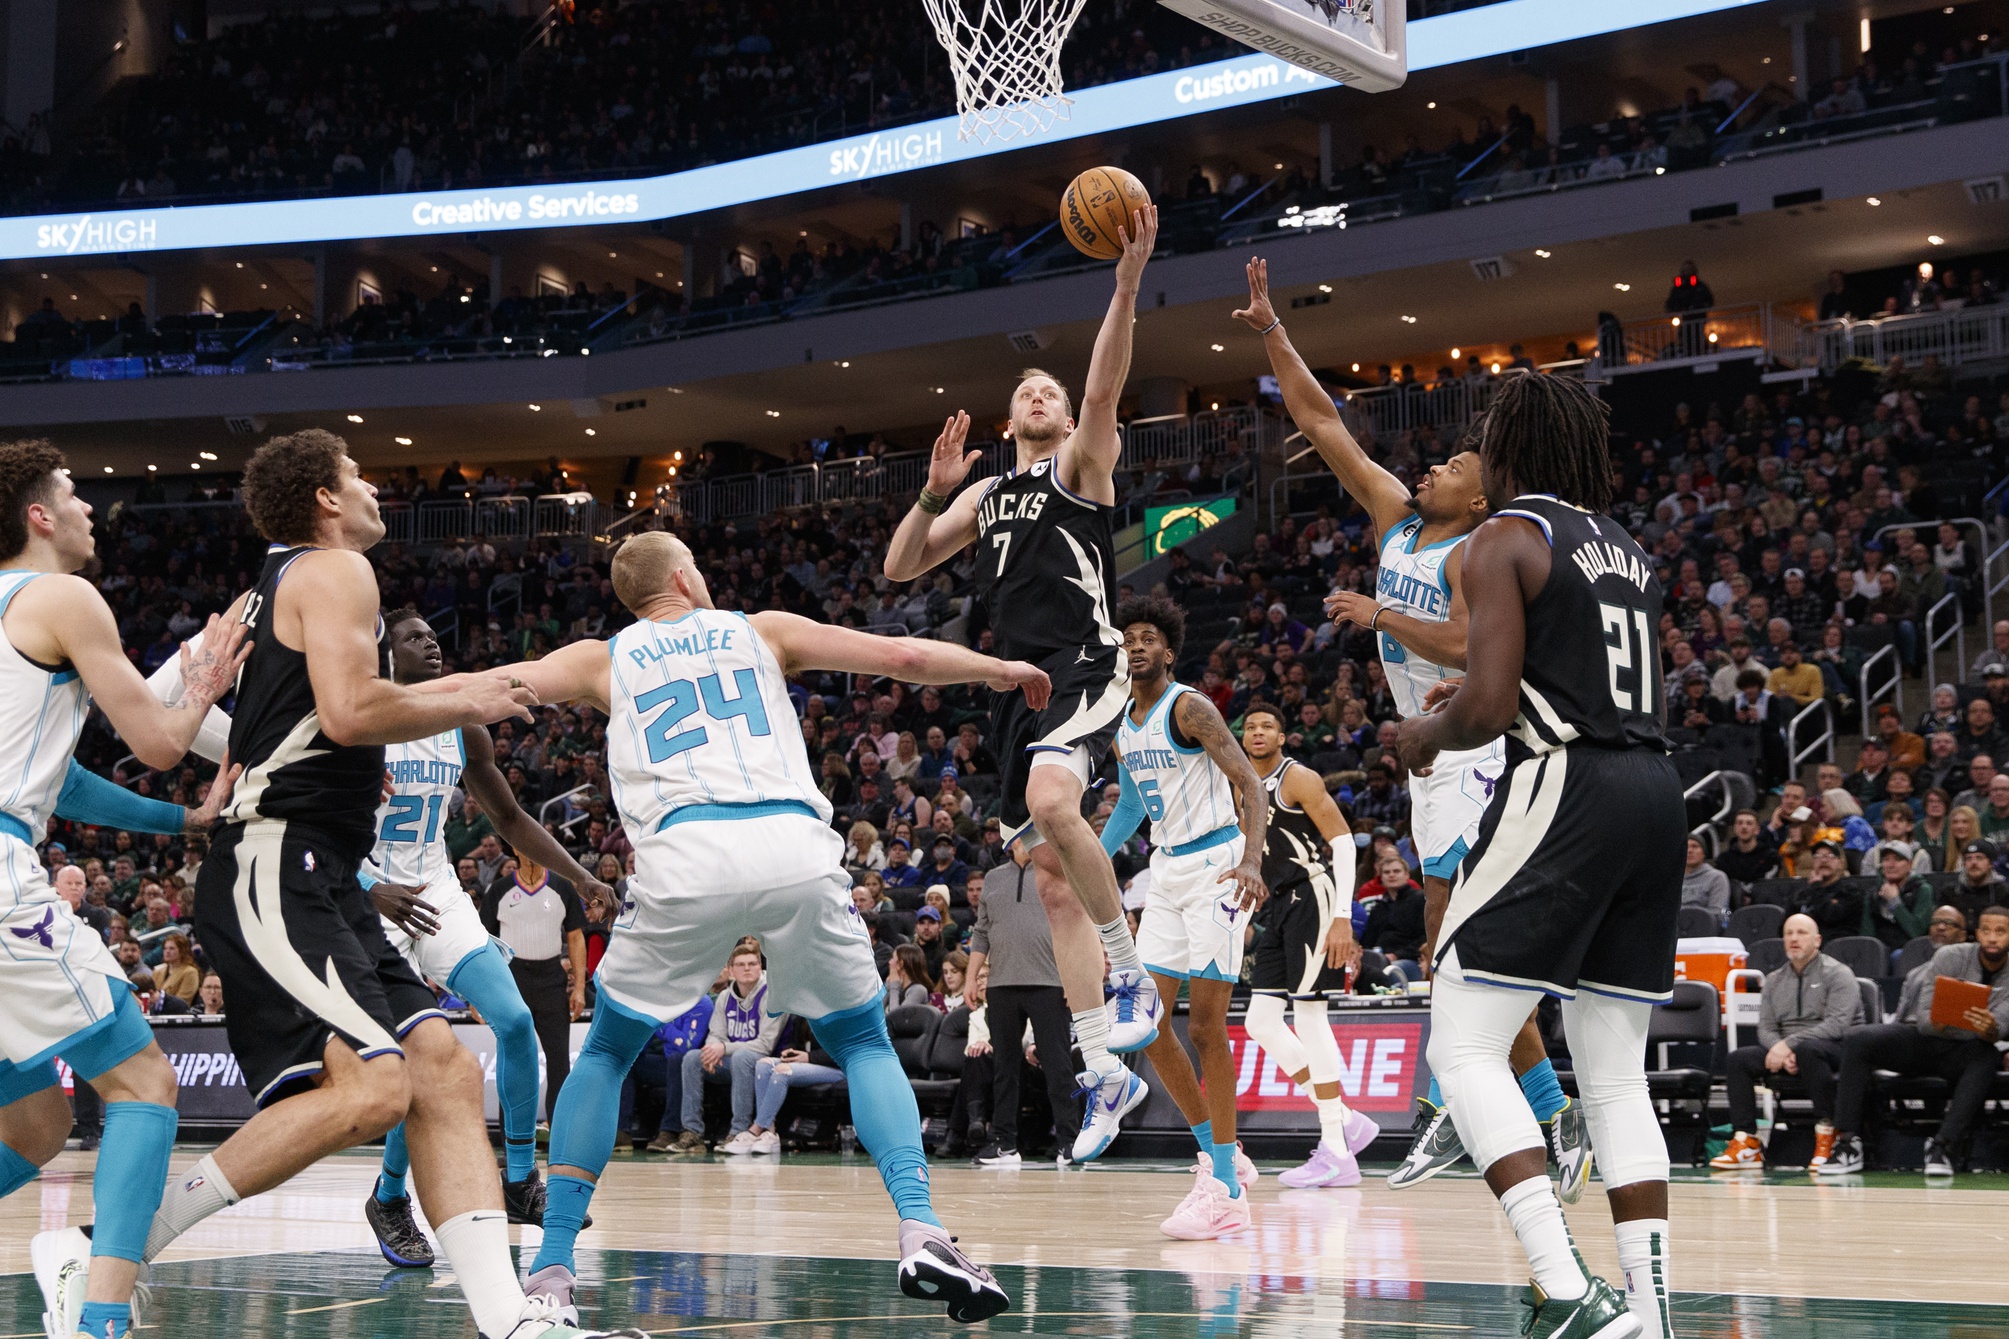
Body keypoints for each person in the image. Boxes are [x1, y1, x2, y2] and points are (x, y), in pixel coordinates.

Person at [61, 432, 632, 1339]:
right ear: (325, 498)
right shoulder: (334, 572)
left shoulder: (270, 586)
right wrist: (481, 689)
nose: (372, 489)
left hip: (315, 866)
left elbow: (180, 710)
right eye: (359, 475)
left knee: (441, 1069)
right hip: (275, 862)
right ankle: (108, 1246)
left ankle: (510, 1320)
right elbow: (351, 709)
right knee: (378, 1088)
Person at [507, 531, 1047, 1325]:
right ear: (689, 576)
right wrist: (998, 670)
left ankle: (552, 1271)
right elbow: (898, 657)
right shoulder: (759, 628)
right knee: (862, 1040)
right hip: (792, 844)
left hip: (686, 851)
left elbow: (498, 685)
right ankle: (920, 1226)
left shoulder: (601, 656)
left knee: (609, 1052)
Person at [1233, 258, 1585, 1205]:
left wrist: (1382, 618)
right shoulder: (1395, 520)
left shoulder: (1484, 545)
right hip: (1430, 753)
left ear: (1480, 496)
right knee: (1449, 943)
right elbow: (1323, 426)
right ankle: (1551, 1108)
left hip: (1484, 740)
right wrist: (1272, 329)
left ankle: (1505, 1106)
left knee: (1453, 934)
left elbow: (1473, 640)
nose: (1431, 466)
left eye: (1454, 465)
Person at [1395, 369, 1684, 1339]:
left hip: (1568, 786)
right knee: (1613, 1077)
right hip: (1654, 789)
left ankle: (1565, 1292)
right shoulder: (1631, 553)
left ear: (1509, 447)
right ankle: (1645, 1315)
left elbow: (1483, 705)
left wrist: (1420, 738)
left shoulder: (1501, 537)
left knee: (1461, 1041)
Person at [882, 202, 1162, 1145]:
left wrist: (1123, 287)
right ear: (1007, 421)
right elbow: (900, 566)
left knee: (1053, 803)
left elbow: (1101, 391)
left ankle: (1129, 971)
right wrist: (931, 487)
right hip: (1016, 684)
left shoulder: (1082, 463)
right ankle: (1102, 1064)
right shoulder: (987, 491)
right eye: (1029, 391)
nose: (1045, 395)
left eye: (1051, 386)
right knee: (1046, 883)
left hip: (1084, 662)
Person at [1, 439, 249, 1339]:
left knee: (30, 1124)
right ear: (39, 514)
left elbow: (59, 782)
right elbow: (155, 741)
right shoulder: (62, 595)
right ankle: (101, 1318)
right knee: (144, 1083)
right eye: (73, 493)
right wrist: (204, 686)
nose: (88, 507)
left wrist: (180, 824)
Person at [361, 609, 618, 1268]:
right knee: (420, 1055)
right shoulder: (357, 718)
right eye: (416, 636)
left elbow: (507, 815)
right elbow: (312, 825)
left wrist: (583, 875)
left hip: (435, 893)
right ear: (384, 650)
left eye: (435, 634)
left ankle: (517, 1181)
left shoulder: (460, 719)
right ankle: (390, 1196)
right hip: (368, 898)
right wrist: (367, 889)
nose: (431, 642)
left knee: (513, 1020)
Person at [1094, 597, 1268, 1238]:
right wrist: (1084, 857)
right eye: (1128, 639)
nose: (1136, 647)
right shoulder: (1121, 721)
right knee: (1148, 1027)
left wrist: (1253, 860)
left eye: (1148, 639)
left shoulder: (1189, 707)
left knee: (1206, 1029)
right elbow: (1134, 806)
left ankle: (1224, 1192)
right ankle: (1223, 1159)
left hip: (1219, 866)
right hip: (1166, 872)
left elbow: (1249, 782)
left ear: (1168, 651)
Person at [1238, 702, 1379, 1189]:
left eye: (1267, 726)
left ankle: (1337, 1151)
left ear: (1283, 737)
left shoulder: (1297, 778)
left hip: (1313, 897)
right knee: (1259, 1021)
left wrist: (1344, 916)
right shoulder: (1240, 786)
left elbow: (1342, 842)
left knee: (1310, 1015)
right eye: (1250, 727)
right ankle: (1344, 1117)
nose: (1257, 733)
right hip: (1276, 904)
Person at [1820, 906, 2009, 1177]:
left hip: (1963, 1053)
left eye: (2001, 932)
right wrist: (1974, 1029)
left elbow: (2000, 1028)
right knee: (1859, 1039)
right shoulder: (1949, 956)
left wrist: (1990, 1031)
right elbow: (1924, 1021)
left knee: (1986, 1055)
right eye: (1987, 931)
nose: (1993, 938)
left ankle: (1942, 1146)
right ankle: (1848, 1142)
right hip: (1924, 1040)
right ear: (1976, 934)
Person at [1710, 914, 1862, 1172]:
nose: (1793, 938)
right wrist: (1780, 1049)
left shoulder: (1839, 974)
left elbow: (1839, 1024)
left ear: (1817, 940)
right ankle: (1747, 1141)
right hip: (1790, 1049)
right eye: (1789, 933)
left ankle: (1829, 1134)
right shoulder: (1773, 980)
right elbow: (1766, 1027)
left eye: (1801, 933)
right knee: (1738, 1059)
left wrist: (1788, 1045)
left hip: (1835, 1046)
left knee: (1809, 1050)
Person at [966, 846, 1080, 1167]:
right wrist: (970, 977)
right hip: (1000, 985)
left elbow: (1074, 928)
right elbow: (981, 933)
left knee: (1058, 1065)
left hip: (1050, 983)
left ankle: (1069, 1141)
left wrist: (1074, 978)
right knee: (1004, 1067)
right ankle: (1003, 1143)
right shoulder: (992, 879)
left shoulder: (1058, 872)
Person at [482, 854, 589, 1129]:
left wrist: (578, 987)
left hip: (552, 979)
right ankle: (511, 1139)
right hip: (512, 979)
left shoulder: (562, 887)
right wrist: (479, 991)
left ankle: (559, 1131)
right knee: (512, 1060)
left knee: (558, 1061)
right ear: (515, 851)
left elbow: (575, 936)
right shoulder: (500, 890)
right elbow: (484, 942)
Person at [686, 944, 785, 1153]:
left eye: (752, 964)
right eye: (740, 965)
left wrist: (723, 1047)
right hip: (732, 1057)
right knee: (692, 1058)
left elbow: (766, 1044)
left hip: (765, 1062)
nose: (747, 969)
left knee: (742, 1057)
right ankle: (692, 1132)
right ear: (731, 971)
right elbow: (716, 1033)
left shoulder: (773, 994)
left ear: (760, 967)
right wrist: (711, 1051)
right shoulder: (724, 997)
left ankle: (739, 1130)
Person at [1681, 837, 1731, 925]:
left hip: (1704, 929)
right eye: (1686, 847)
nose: (1689, 851)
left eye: (1695, 846)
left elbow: (1716, 913)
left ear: (1703, 853)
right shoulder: (1673, 880)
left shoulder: (1717, 877)